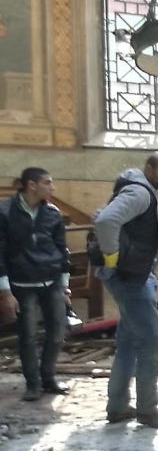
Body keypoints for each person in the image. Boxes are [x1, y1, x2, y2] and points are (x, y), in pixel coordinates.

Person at [94, 153, 158, 429]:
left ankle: (117, 407)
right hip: (130, 278)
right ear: (149, 168)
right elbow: (106, 221)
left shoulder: (140, 189)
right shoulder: (140, 193)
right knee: (152, 341)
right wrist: (111, 257)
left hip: (134, 274)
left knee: (128, 343)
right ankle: (148, 410)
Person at [0, 168, 70, 401]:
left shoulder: (52, 213)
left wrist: (65, 285)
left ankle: (48, 378)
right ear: (31, 185)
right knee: (28, 335)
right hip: (22, 282)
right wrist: (5, 291)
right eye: (48, 183)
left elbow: (62, 250)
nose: (53, 188)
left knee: (57, 333)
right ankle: (33, 384)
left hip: (52, 281)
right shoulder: (5, 211)